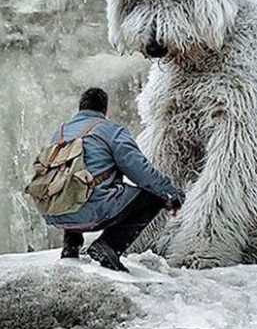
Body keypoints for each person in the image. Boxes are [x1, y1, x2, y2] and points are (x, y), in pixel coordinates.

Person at [44, 87, 185, 272]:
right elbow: (140, 171)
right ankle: (109, 245)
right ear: (105, 110)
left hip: (54, 211)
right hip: (91, 210)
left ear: (80, 108)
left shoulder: (61, 132)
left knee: (74, 182)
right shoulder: (110, 130)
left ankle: (71, 246)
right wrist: (170, 193)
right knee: (151, 198)